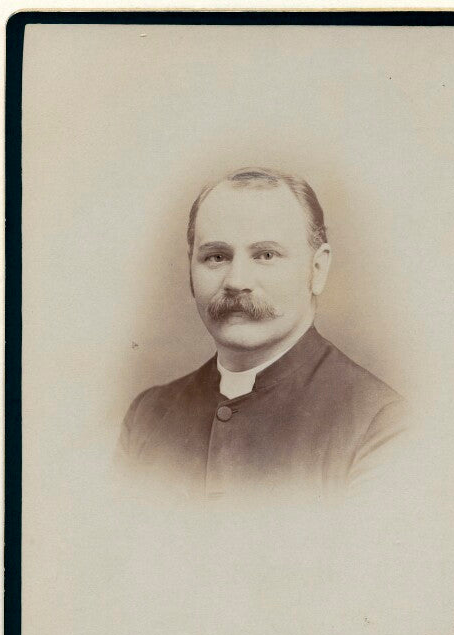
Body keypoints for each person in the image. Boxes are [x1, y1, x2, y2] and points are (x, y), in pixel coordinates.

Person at [119, 167, 407, 499]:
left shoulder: (381, 425)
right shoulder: (147, 417)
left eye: (266, 255)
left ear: (317, 269)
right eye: (216, 257)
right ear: (190, 271)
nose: (236, 281)